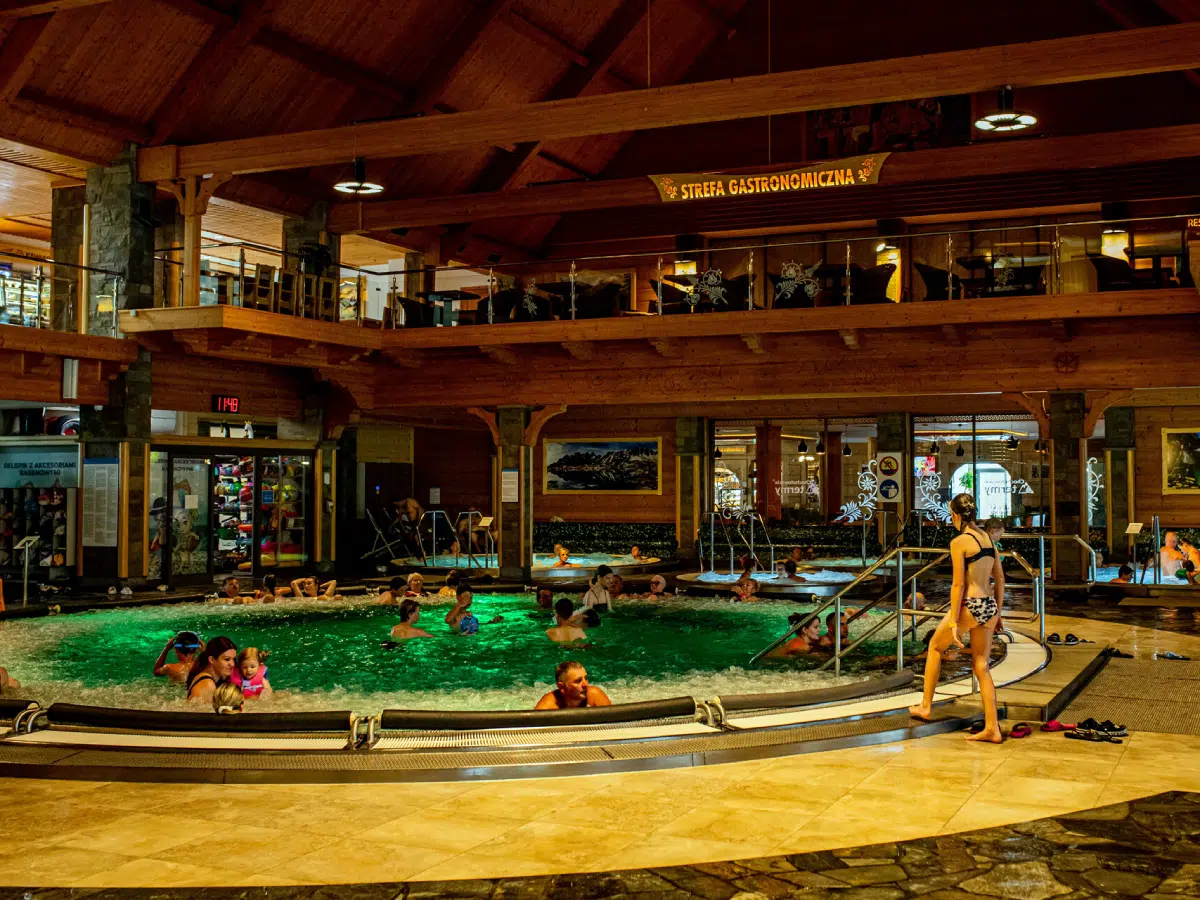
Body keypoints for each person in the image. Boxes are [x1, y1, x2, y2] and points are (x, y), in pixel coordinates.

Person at [909, 493, 1003, 743]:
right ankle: (993, 727)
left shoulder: (960, 541)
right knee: (981, 665)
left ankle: (926, 707)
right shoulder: (988, 540)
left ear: (956, 515)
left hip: (969, 605)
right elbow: (1000, 579)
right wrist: (999, 612)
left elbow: (958, 584)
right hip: (989, 605)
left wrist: (953, 622)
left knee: (935, 647)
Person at [534, 660, 612, 709]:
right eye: (578, 681)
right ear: (562, 687)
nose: (585, 684)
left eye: (586, 678)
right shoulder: (549, 705)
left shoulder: (595, 696)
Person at [186, 636, 238, 705]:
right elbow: (194, 715)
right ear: (212, 660)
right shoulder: (207, 684)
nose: (232, 664)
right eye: (227, 659)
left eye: (234, 659)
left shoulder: (209, 679)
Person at [391, 497, 426, 563]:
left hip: (421, 521)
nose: (397, 505)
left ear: (399, 502)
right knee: (411, 537)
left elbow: (420, 511)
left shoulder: (409, 503)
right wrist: (391, 525)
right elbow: (398, 518)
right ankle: (418, 556)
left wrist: (418, 525)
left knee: (417, 537)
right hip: (414, 523)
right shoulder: (402, 508)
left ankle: (422, 556)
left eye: (397, 504)